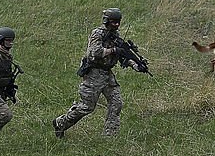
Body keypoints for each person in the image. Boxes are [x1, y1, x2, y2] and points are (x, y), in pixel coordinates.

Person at [52, 8, 147, 138]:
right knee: (87, 107)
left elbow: (123, 57)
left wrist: (136, 65)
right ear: (107, 21)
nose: (116, 25)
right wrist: (113, 50)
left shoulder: (116, 37)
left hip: (107, 75)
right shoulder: (97, 34)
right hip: (93, 74)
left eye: (118, 22)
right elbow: (94, 53)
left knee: (116, 103)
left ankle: (110, 136)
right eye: (113, 22)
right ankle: (61, 123)